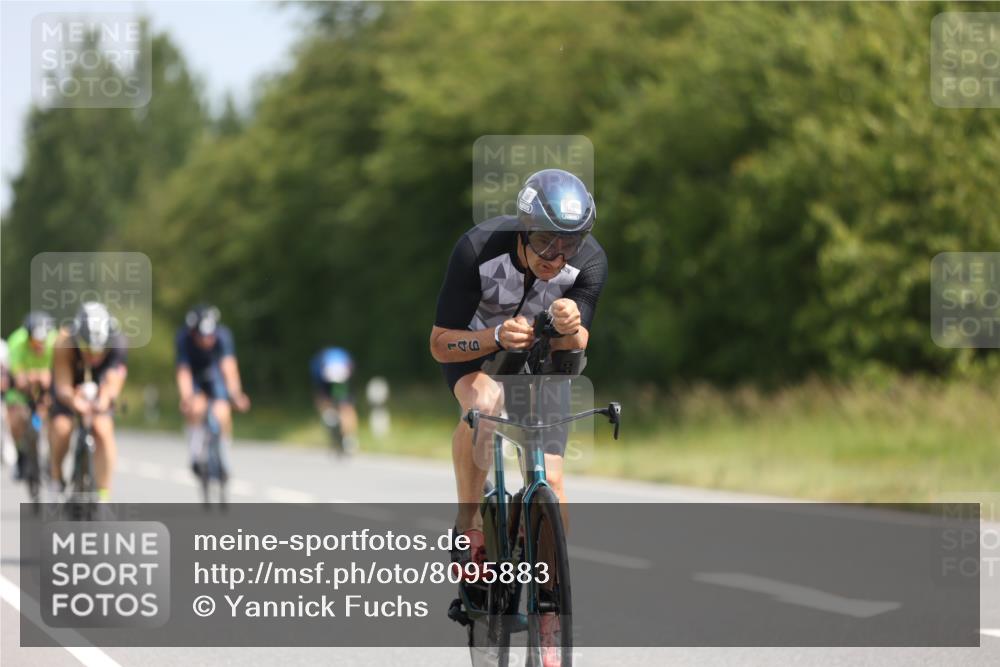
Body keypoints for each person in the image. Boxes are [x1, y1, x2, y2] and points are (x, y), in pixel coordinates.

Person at [50, 302, 128, 500]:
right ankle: (57, 476)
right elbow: (62, 384)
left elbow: (114, 381)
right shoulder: (63, 341)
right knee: (61, 429)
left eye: (99, 351)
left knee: (103, 429)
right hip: (71, 380)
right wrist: (74, 401)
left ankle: (103, 493)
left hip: (99, 382)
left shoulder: (118, 342)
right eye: (87, 349)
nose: (94, 356)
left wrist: (104, 399)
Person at [175, 304, 250, 482]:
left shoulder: (223, 336)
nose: (207, 341)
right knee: (196, 408)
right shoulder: (184, 338)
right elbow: (184, 371)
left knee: (222, 411)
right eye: (202, 337)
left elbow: (229, 367)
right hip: (195, 373)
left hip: (214, 372)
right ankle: (195, 454)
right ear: (194, 333)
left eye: (210, 337)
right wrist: (186, 397)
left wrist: (236, 394)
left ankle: (224, 456)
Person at [6, 312, 57, 480]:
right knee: (16, 419)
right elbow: (18, 378)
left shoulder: (55, 341)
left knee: (53, 416)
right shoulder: (17, 341)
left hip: (46, 387)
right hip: (21, 389)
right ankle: (21, 454)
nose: (39, 346)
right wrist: (36, 376)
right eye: (35, 342)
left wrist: (46, 378)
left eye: (42, 342)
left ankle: (51, 459)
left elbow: (59, 373)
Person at [310, 347, 359, 454]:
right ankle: (329, 417)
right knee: (329, 402)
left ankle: (348, 437)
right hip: (330, 376)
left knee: (345, 405)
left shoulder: (345, 363)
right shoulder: (318, 366)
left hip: (342, 375)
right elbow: (319, 389)